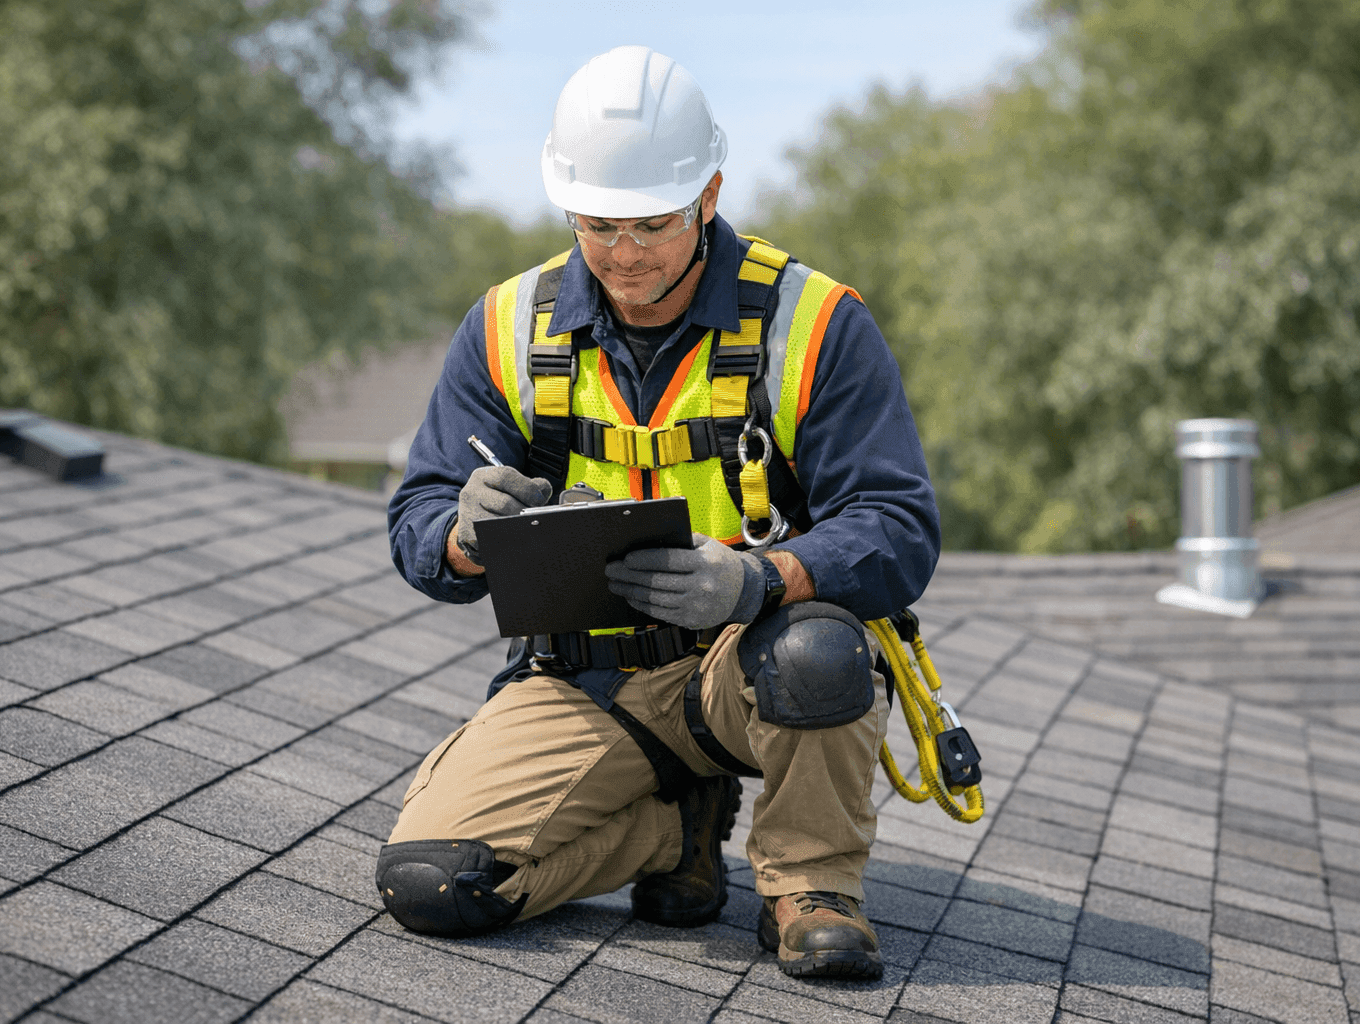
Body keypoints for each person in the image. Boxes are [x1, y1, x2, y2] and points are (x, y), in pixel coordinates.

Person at [376, 45, 939, 981]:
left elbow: (896, 523)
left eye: (652, 223)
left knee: (819, 648)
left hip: (744, 674)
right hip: (581, 681)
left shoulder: (815, 323)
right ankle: (672, 828)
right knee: (434, 883)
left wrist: (759, 579)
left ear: (708, 196)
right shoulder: (508, 326)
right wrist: (461, 534)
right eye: (599, 224)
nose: (625, 252)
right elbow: (417, 523)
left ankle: (810, 886)